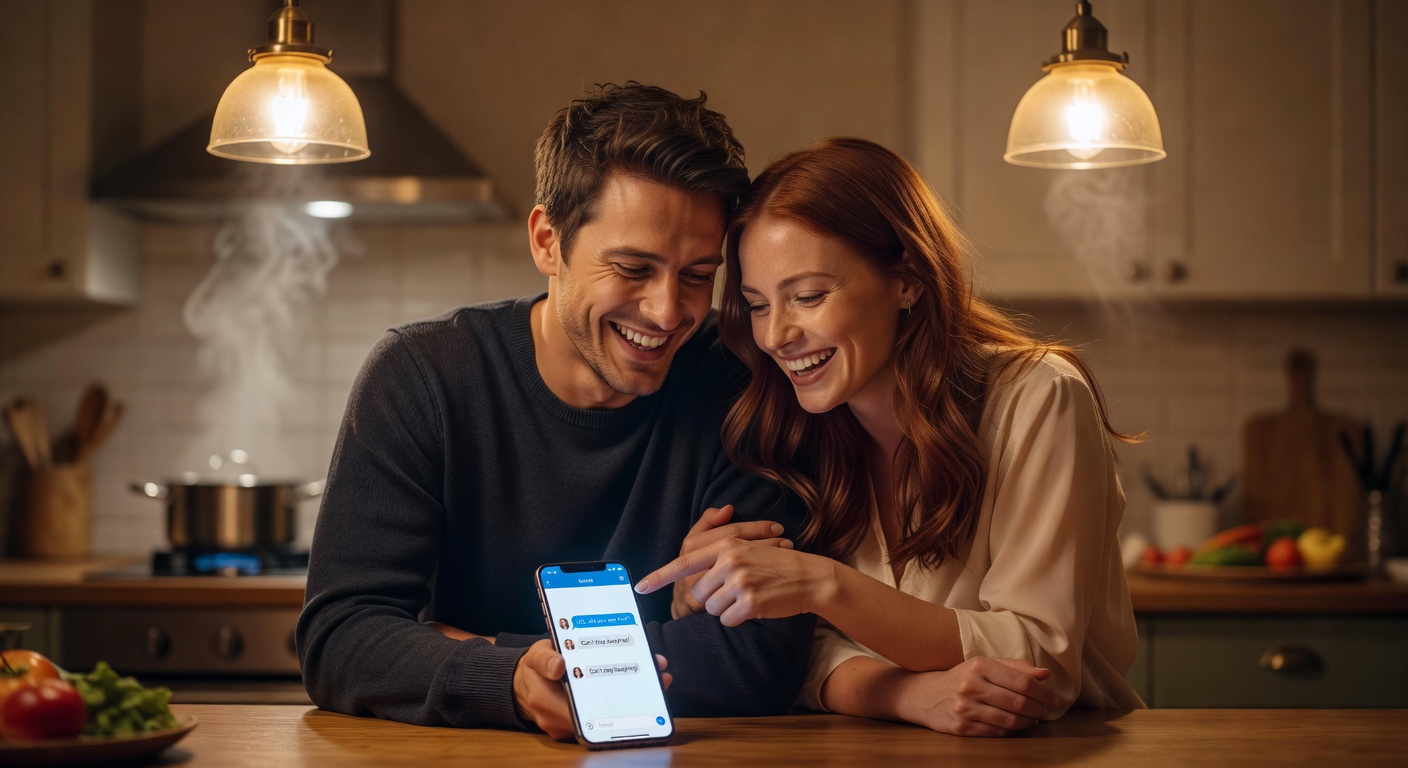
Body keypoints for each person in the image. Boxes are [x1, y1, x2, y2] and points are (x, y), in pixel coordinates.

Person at [296, 83, 814, 739]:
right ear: (548, 241)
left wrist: (482, 650)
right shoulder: (421, 376)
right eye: (632, 268)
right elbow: (341, 637)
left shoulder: (743, 385)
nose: (666, 312)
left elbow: (757, 661)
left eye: (695, 275)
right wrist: (514, 677)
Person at [636, 137, 1144, 737]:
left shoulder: (1039, 397)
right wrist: (905, 694)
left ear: (907, 278)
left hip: (1057, 752)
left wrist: (821, 585)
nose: (775, 336)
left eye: (808, 296)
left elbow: (1038, 659)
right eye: (757, 306)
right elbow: (793, 656)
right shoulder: (798, 419)